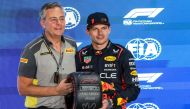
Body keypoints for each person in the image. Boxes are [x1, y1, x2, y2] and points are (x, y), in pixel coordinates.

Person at [17, 2, 76, 109]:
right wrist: (56, 91)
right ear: (43, 23)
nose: (59, 23)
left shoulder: (72, 44)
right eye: (53, 19)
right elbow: (23, 89)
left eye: (62, 19)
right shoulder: (32, 49)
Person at [76, 12, 140, 109]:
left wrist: (111, 102)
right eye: (95, 29)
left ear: (109, 30)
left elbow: (134, 89)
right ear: (87, 31)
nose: (100, 33)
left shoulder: (122, 54)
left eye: (104, 28)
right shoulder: (80, 55)